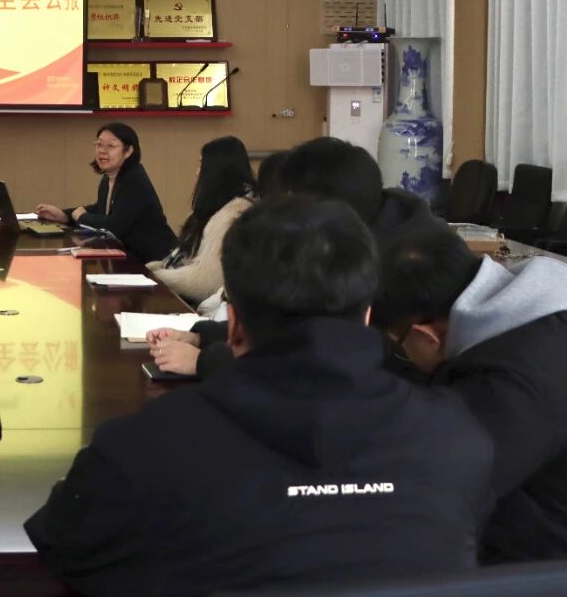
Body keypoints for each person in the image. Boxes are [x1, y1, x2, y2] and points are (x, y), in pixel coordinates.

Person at [25, 198, 494, 597]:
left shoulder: (142, 448)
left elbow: (64, 549)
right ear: (368, 313)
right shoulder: (459, 438)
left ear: (233, 325)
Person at [148, 137, 439, 379]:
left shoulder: (389, 271)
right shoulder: (361, 231)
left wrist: (205, 361)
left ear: (322, 205)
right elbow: (291, 326)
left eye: (290, 200)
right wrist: (203, 336)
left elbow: (317, 364)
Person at [374, 226, 567, 562]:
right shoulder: (542, 304)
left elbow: (439, 495)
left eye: (399, 345)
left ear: (427, 335)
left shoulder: (507, 393)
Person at [35, 123, 176, 262]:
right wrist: (64, 215)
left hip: (160, 262)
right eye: (99, 144)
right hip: (133, 258)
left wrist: (81, 217)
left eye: (111, 146)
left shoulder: (134, 180)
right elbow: (101, 209)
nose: (102, 151)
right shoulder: (109, 177)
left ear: (128, 151)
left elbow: (114, 226)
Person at [146, 136, 255, 303]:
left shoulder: (233, 214)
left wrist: (156, 276)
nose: (197, 173)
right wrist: (153, 271)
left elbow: (205, 283)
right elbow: (185, 259)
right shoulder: (215, 207)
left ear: (217, 172)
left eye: (202, 165)